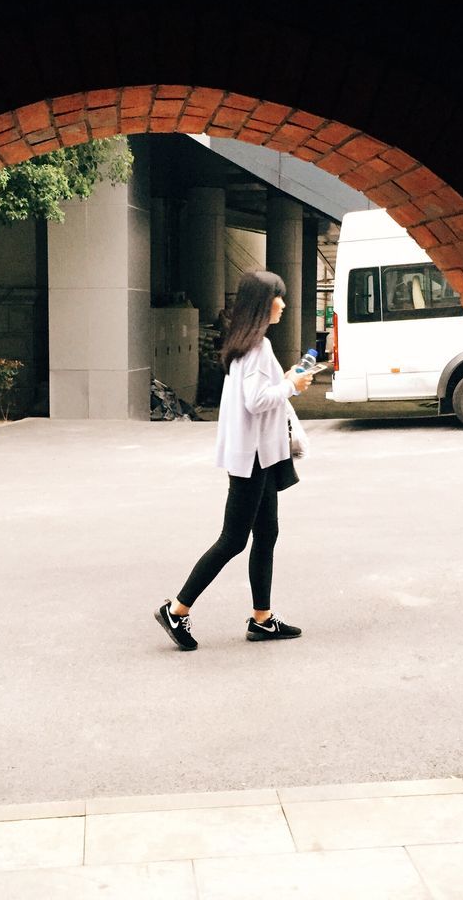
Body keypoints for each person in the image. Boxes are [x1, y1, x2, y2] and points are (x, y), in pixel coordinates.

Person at [154, 270, 313, 651]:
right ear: (264, 303)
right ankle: (177, 610)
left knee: (267, 532)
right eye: (279, 297)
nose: (284, 305)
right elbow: (257, 401)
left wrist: (287, 378)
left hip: (258, 455)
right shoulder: (259, 348)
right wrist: (293, 385)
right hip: (254, 459)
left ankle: (262, 619)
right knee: (233, 540)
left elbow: (256, 394)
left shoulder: (248, 345)